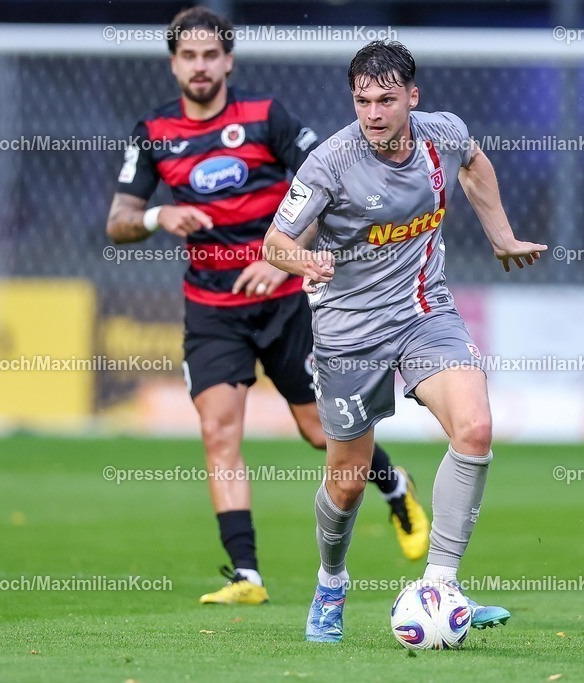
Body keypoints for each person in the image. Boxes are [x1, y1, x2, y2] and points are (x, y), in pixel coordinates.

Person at [106, 9, 429, 606]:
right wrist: (158, 216)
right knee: (218, 431)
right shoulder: (153, 132)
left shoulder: (267, 118)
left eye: (210, 56)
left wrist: (278, 255)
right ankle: (247, 576)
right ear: (174, 63)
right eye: (188, 56)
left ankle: (393, 485)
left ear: (228, 61)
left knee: (318, 430)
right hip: (211, 310)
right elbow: (119, 221)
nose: (200, 67)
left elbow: (328, 186)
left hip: (284, 304)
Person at [264, 40, 547, 642]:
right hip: (348, 332)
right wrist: (304, 260)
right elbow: (276, 242)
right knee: (347, 478)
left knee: (474, 430)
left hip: (424, 313)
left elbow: (474, 163)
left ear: (412, 98)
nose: (372, 112)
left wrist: (501, 235)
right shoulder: (331, 163)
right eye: (362, 100)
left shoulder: (442, 134)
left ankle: (439, 584)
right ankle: (331, 583)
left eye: (386, 99)